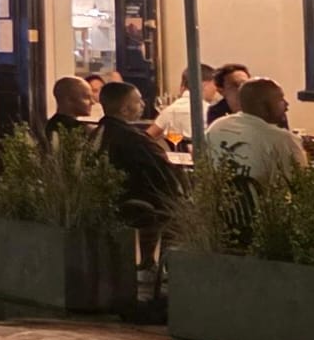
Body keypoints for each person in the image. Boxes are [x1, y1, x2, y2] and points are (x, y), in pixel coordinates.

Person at [95, 82, 180, 269]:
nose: (143, 105)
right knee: (180, 211)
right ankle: (165, 266)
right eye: (139, 101)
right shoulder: (134, 139)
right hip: (136, 205)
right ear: (125, 109)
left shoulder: (95, 134)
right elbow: (163, 173)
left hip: (106, 201)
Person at [207, 77, 306, 182]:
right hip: (263, 198)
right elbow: (301, 185)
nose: (286, 104)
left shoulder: (217, 127)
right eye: (281, 99)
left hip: (217, 197)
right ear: (263, 105)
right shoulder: (283, 140)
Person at [152, 63, 216, 145]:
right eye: (214, 85)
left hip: (176, 156)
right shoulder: (210, 111)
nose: (216, 90)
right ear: (204, 85)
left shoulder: (169, 110)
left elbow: (147, 137)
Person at [45, 76, 94, 141]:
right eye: (86, 97)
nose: (92, 102)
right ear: (68, 99)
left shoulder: (47, 125)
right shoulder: (81, 131)